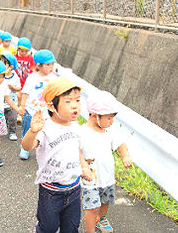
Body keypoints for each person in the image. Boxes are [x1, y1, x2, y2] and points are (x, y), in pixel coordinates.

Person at [22, 77, 92, 233]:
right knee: (48, 227)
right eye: (68, 101)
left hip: (74, 188)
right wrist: (33, 131)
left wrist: (84, 166)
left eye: (77, 100)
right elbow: (27, 146)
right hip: (51, 191)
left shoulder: (76, 127)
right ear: (52, 106)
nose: (75, 105)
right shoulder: (45, 128)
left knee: (71, 227)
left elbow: (77, 150)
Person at [79, 90, 132, 233]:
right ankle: (90, 230)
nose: (112, 121)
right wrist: (83, 166)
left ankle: (101, 219)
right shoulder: (82, 132)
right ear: (95, 116)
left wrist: (125, 156)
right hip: (90, 179)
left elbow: (121, 144)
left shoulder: (109, 132)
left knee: (105, 202)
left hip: (107, 177)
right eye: (109, 118)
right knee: (92, 207)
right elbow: (76, 151)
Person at [18, 49, 56, 160]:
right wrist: (22, 106)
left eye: (52, 64)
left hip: (47, 112)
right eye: (48, 65)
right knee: (28, 129)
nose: (51, 67)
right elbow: (25, 93)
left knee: (47, 132)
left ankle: (45, 150)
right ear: (38, 65)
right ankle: (25, 148)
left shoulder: (53, 78)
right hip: (31, 110)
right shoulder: (32, 78)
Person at [0, 52, 21, 141]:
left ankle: (12, 132)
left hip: (12, 103)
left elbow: (19, 88)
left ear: (11, 67)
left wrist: (13, 88)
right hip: (0, 103)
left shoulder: (15, 77)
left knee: (12, 119)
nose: (1, 65)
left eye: (4, 63)